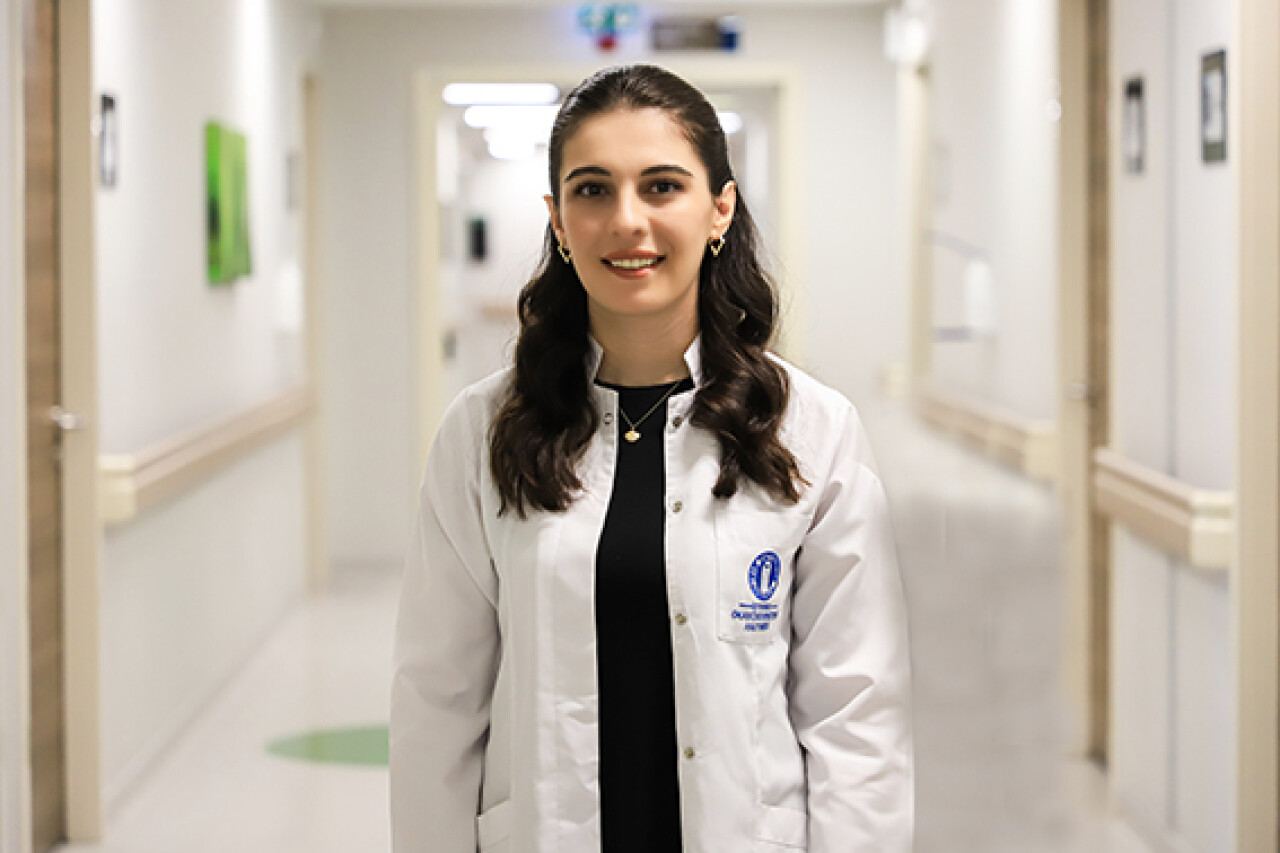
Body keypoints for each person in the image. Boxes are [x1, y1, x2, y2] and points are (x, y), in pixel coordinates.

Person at [391, 64, 913, 853]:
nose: (627, 220)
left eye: (662, 186)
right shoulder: (483, 432)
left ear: (720, 208)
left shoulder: (811, 431)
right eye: (593, 190)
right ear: (558, 220)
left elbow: (856, 712)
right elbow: (437, 702)